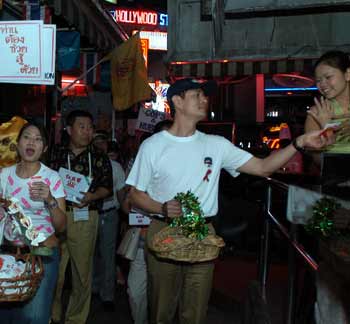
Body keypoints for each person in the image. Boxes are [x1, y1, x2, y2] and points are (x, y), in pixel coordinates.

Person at [125, 78, 334, 324]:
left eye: (205, 95)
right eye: (198, 95)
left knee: (195, 313)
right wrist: (161, 207)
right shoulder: (153, 146)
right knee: (161, 311)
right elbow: (135, 196)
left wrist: (300, 143)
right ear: (177, 101)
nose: (205, 99)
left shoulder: (216, 145)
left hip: (203, 233)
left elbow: (263, 167)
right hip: (164, 231)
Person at [0, 122, 66, 324]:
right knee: (7, 314)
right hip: (10, 253)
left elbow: (62, 226)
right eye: (27, 137)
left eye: (38, 139)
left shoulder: (51, 177)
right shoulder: (4, 175)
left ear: (44, 147)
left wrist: (50, 200)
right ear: (18, 144)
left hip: (42, 253)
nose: (31, 142)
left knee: (34, 317)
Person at [50, 110, 113, 324]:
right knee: (54, 271)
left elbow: (107, 188)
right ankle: (52, 314)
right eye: (82, 126)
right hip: (56, 216)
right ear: (69, 130)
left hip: (85, 216)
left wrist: (92, 196)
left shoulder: (99, 156)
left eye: (90, 127)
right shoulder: (56, 154)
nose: (87, 132)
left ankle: (75, 319)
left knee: (81, 273)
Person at [125, 120, 173, 324]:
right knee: (135, 292)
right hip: (142, 239)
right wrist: (138, 207)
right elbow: (127, 204)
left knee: (165, 297)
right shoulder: (142, 165)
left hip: (170, 243)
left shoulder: (184, 171)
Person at [92, 131, 126, 310]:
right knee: (90, 254)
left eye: (102, 142)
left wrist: (125, 217)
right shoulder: (86, 164)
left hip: (109, 214)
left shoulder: (116, 167)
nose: (99, 145)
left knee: (107, 255)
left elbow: (121, 195)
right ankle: (92, 288)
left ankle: (107, 295)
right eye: (96, 141)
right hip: (88, 214)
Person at [305, 50, 350, 165]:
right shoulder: (316, 113)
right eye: (318, 80)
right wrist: (327, 130)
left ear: (347, 74)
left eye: (328, 77)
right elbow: (318, 160)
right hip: (338, 178)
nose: (322, 84)